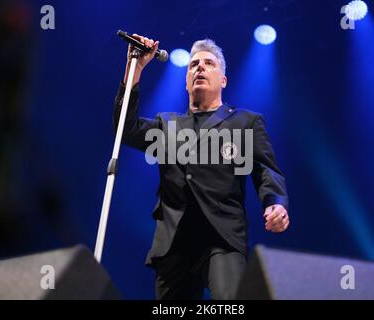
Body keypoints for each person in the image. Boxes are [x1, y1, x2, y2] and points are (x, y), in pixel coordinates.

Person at [113, 35, 289, 300]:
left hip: (222, 238)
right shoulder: (167, 125)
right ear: (185, 83)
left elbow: (266, 169)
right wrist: (135, 67)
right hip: (174, 244)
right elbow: (125, 130)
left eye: (208, 63)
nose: (199, 68)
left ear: (224, 80)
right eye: (193, 65)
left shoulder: (245, 122)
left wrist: (274, 202)